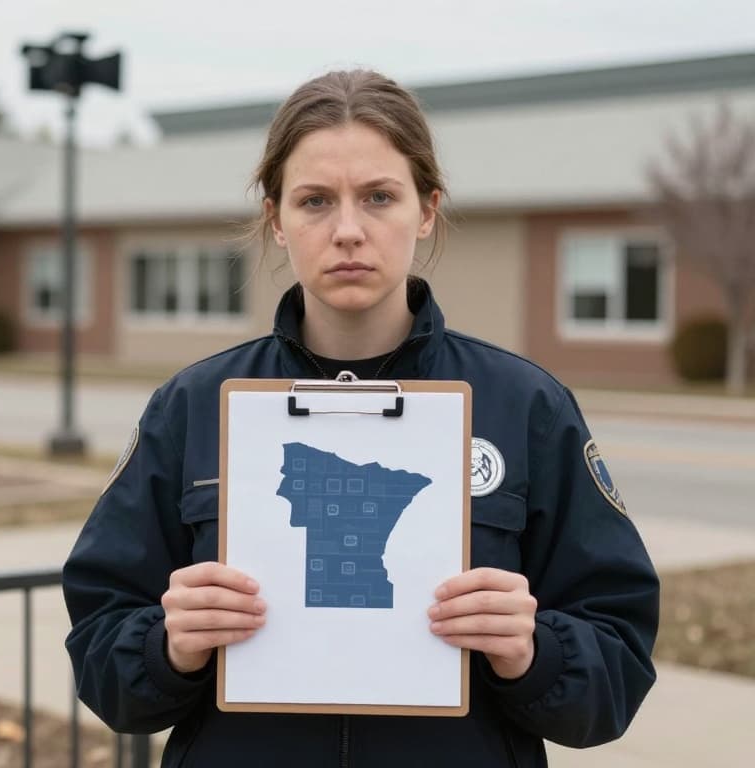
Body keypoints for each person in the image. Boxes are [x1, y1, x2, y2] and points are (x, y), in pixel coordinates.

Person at [61, 70, 659, 767]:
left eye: (379, 196)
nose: (348, 230)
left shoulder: (526, 406)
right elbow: (101, 652)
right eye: (315, 201)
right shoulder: (192, 407)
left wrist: (534, 650)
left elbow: (617, 664)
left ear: (427, 210)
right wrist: (167, 645)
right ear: (276, 218)